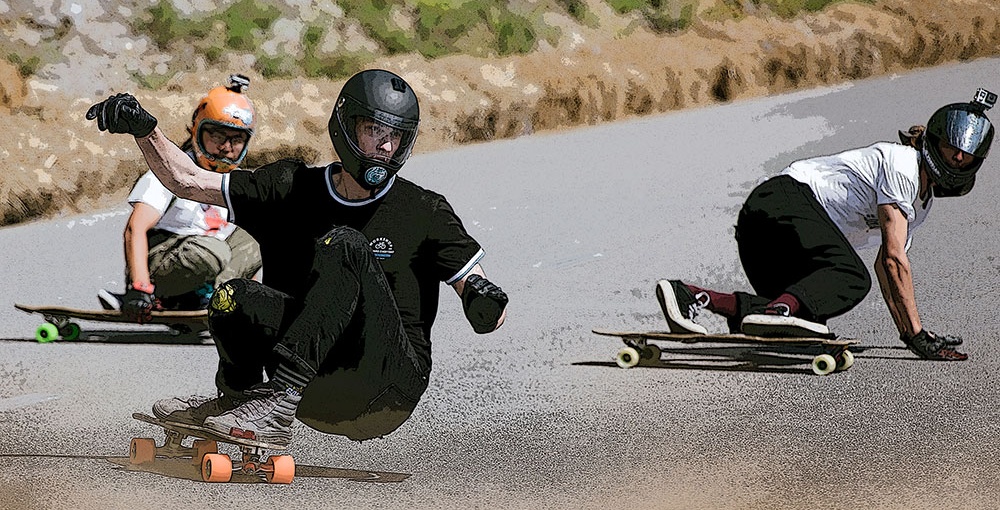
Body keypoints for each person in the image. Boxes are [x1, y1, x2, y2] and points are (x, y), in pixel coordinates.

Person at [86, 69, 509, 446]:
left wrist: (483, 301)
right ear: (345, 126)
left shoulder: (424, 211)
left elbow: (475, 285)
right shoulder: (289, 187)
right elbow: (189, 180)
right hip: (319, 390)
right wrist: (144, 130)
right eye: (373, 130)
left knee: (344, 243)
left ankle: (278, 402)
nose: (384, 145)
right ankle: (237, 401)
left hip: (385, 386)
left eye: (394, 136)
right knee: (232, 297)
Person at [655, 88, 995, 361]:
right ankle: (779, 309)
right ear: (934, 140)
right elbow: (893, 261)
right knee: (850, 279)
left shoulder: (919, 206)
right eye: (952, 148)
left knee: (805, 319)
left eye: (966, 155)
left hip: (776, 235)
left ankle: (694, 296)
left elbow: (884, 268)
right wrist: (919, 334)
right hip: (780, 203)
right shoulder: (903, 163)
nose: (959, 158)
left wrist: (908, 334)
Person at [97, 74, 262, 323]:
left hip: (210, 265)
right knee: (213, 250)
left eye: (237, 139)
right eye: (217, 135)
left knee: (262, 231)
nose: (226, 147)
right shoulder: (171, 172)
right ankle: (170, 296)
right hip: (162, 263)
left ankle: (220, 299)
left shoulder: (236, 182)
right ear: (197, 131)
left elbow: (244, 254)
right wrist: (139, 287)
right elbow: (135, 229)